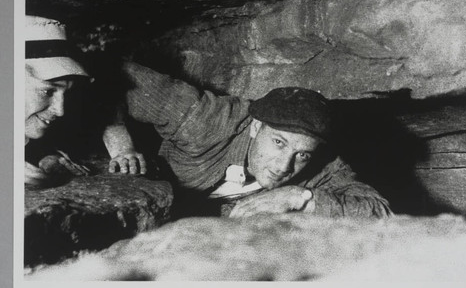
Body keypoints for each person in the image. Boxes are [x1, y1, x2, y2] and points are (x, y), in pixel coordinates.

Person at [103, 61, 392, 218]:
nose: (284, 165)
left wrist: (300, 198)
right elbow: (115, 75)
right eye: (279, 142)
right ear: (255, 127)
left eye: (302, 154)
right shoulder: (206, 119)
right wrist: (122, 147)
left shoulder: (322, 165)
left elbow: (379, 210)